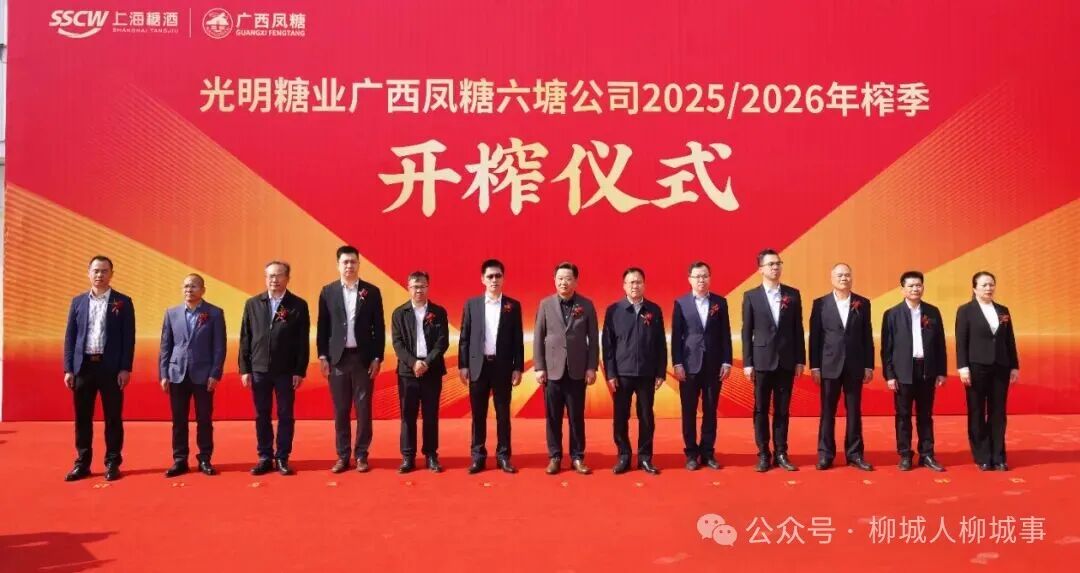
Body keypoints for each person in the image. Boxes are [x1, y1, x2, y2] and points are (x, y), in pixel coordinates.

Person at [63, 255, 135, 482]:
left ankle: (112, 462)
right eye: (96, 271)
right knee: (82, 417)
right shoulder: (78, 302)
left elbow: (128, 338)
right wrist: (69, 369)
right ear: (89, 273)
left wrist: (125, 368)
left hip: (110, 368)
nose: (99, 275)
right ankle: (82, 463)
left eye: (104, 271)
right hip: (83, 367)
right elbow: (70, 337)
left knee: (113, 417)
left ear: (111, 274)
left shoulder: (123, 302)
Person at [316, 246, 385, 474]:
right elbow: (323, 327)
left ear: (358, 264)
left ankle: (362, 455)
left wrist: (377, 357)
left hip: (363, 359)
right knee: (341, 409)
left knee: (363, 409)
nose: (349, 266)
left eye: (353, 262)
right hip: (338, 359)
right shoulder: (328, 292)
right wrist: (323, 356)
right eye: (345, 262)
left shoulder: (371, 292)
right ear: (338, 265)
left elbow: (379, 328)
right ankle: (343, 455)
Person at [239, 261, 310, 476]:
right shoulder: (253, 303)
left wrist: (299, 370)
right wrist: (245, 369)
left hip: (286, 371)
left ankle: (282, 457)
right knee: (262, 414)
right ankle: (264, 456)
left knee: (285, 414)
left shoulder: (298, 305)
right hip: (259, 369)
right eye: (270, 276)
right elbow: (245, 337)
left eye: (279, 275)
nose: (274, 280)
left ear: (287, 278)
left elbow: (302, 341)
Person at [742, 249, 805, 472]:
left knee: (782, 410)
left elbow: (798, 329)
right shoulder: (751, 296)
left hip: (786, 361)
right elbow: (746, 331)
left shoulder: (793, 294)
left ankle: (781, 452)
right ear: (760, 269)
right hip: (761, 361)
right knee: (760, 409)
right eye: (770, 264)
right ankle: (763, 453)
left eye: (778, 263)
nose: (775, 267)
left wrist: (800, 359)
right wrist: (747, 362)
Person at [458, 259, 524, 474]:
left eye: (498, 276)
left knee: (503, 414)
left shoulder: (512, 306)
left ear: (503, 278)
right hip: (478, 366)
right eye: (490, 276)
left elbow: (518, 339)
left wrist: (518, 367)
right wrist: (463, 365)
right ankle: (478, 456)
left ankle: (503, 456)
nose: (494, 280)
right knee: (478, 414)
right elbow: (464, 337)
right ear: (482, 279)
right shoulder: (472, 304)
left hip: (502, 367)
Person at [534, 262, 599, 475]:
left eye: (568, 278)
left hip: (577, 370)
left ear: (575, 281)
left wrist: (591, 367)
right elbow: (538, 337)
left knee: (576, 417)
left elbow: (593, 339)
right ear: (554, 280)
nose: (564, 282)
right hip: (552, 371)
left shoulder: (586, 305)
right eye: (560, 278)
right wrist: (539, 367)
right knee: (553, 417)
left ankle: (577, 457)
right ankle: (555, 456)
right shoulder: (545, 304)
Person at [159, 273, 226, 477]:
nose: (189, 289)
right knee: (179, 420)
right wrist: (164, 374)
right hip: (177, 373)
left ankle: (204, 458)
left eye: (194, 286)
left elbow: (219, 347)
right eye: (186, 286)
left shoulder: (214, 313)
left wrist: (215, 373)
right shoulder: (172, 313)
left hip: (203, 375)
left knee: (204, 419)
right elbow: (165, 345)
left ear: (203, 290)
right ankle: (180, 460)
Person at [809, 263, 874, 471]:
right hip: (829, 365)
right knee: (827, 411)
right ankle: (825, 454)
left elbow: (867, 336)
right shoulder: (820, 304)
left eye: (847, 275)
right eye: (839, 275)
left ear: (851, 278)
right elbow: (815, 337)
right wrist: (815, 366)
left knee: (854, 411)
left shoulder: (862, 303)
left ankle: (855, 454)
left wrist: (868, 365)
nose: (844, 278)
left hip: (855, 365)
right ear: (832, 279)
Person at [602, 268, 667, 475]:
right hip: (622, 374)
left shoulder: (654, 310)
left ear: (644, 285)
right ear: (624, 286)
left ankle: (645, 457)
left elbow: (660, 344)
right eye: (631, 282)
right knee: (620, 416)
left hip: (647, 373)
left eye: (638, 282)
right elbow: (608, 345)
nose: (635, 286)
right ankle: (624, 455)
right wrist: (610, 374)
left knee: (646, 416)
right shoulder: (614, 310)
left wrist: (660, 372)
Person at [880, 271, 946, 472]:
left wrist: (941, 371)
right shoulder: (892, 314)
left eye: (918, 285)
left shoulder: (932, 312)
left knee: (925, 415)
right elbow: (886, 348)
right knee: (903, 415)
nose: (915, 289)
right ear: (902, 289)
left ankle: (927, 454)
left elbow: (940, 344)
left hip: (927, 370)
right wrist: (890, 375)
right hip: (903, 372)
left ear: (923, 287)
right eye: (910, 286)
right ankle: (905, 454)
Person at [671, 261, 732, 471]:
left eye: (705, 276)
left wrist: (727, 361)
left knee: (710, 410)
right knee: (688, 411)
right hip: (689, 366)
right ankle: (691, 453)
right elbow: (676, 336)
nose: (701, 280)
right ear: (690, 279)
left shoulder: (720, 303)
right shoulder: (681, 303)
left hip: (713, 365)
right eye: (697, 276)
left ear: (710, 278)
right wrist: (677, 363)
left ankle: (707, 452)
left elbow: (725, 334)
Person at [956, 271, 1020, 471]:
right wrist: (963, 367)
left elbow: (1009, 340)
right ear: (974, 288)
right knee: (976, 411)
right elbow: (961, 341)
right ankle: (982, 455)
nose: (988, 288)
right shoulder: (965, 311)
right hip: (976, 367)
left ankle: (998, 456)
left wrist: (1014, 365)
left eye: (991, 284)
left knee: (998, 412)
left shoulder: (1002, 310)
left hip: (1000, 366)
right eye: (984, 285)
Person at [391, 271, 449, 473]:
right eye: (415, 286)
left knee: (431, 415)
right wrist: (413, 363)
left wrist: (426, 363)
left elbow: (442, 341)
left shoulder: (438, 312)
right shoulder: (399, 313)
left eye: (422, 286)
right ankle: (408, 457)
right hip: (408, 373)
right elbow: (397, 343)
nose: (419, 290)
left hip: (431, 371)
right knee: (408, 415)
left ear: (428, 287)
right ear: (408, 288)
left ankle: (431, 455)